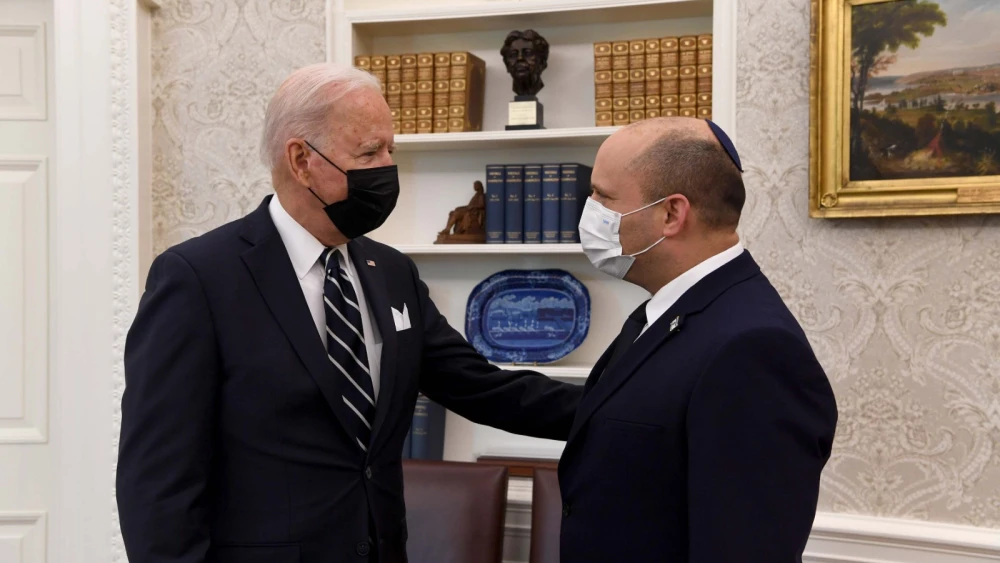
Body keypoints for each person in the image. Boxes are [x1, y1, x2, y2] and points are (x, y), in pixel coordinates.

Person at [116, 63, 582, 563]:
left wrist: (620, 403)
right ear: (301, 160)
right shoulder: (198, 278)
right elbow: (157, 483)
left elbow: (483, 388)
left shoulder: (393, 272)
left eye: (390, 151)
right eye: (368, 153)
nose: (387, 168)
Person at [557, 117, 838, 562]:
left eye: (603, 196)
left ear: (672, 214)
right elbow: (615, 413)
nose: (589, 209)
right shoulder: (672, 308)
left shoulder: (753, 348)